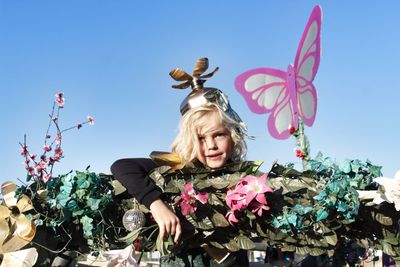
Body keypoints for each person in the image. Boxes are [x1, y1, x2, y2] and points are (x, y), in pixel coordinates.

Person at [111, 58, 249, 266]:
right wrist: (156, 204)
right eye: (201, 138)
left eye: (219, 135)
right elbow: (122, 166)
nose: (211, 146)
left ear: (232, 136)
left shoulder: (246, 181)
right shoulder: (178, 167)